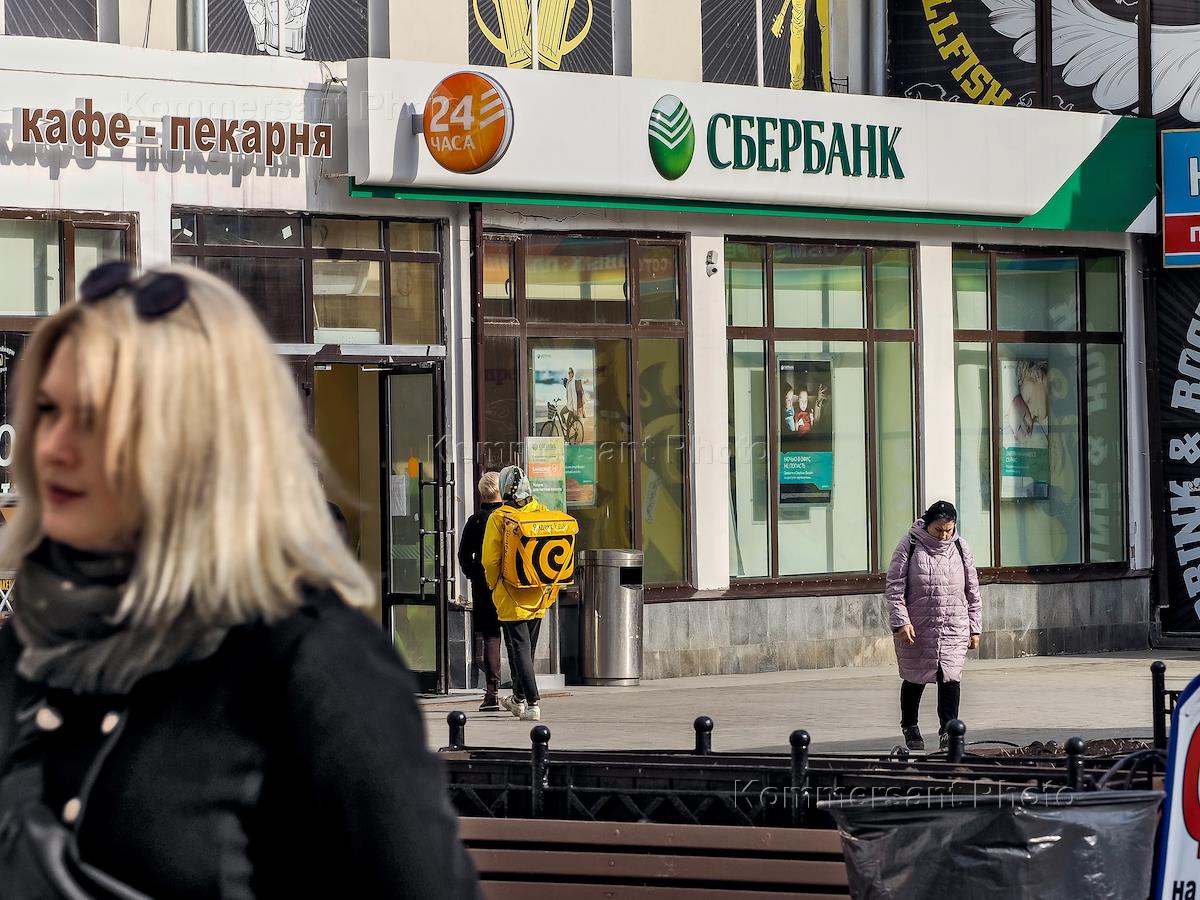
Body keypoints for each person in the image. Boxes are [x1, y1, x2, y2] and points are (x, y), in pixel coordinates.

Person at [0, 261, 479, 897]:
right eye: (46, 411)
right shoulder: (26, 646)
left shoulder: (312, 663)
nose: (51, 446)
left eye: (92, 418)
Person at [886, 500, 982, 751]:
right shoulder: (909, 545)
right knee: (914, 677)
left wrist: (975, 627)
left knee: (950, 677)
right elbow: (894, 588)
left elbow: (972, 590)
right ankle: (910, 726)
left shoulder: (960, 547)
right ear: (927, 524)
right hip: (918, 626)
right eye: (939, 530)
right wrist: (901, 621)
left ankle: (948, 732)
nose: (944, 535)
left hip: (953, 624)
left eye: (949, 530)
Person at [482, 465, 559, 722]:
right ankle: (517, 699)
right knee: (527, 649)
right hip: (539, 592)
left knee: (520, 649)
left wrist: (494, 584)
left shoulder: (499, 518)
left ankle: (533, 703)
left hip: (511, 592)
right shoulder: (542, 512)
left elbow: (489, 560)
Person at [457, 471, 503, 711]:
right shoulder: (509, 518)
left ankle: (492, 693)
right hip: (511, 585)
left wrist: (476, 574)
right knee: (517, 638)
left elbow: (463, 555)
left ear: (481, 493)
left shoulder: (476, 520)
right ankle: (521, 692)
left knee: (490, 636)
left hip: (484, 586)